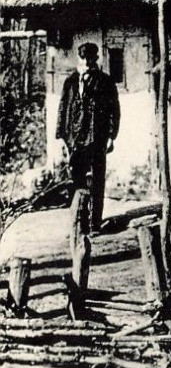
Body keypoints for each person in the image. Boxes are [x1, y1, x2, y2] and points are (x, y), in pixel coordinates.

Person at [56, 42, 120, 233]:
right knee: (77, 181)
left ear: (96, 59)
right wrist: (61, 136)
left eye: (91, 58)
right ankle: (79, 222)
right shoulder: (71, 82)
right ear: (79, 58)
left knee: (97, 180)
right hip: (75, 139)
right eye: (84, 58)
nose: (87, 62)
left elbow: (114, 111)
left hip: (97, 137)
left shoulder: (105, 81)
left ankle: (94, 224)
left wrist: (111, 136)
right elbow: (63, 109)